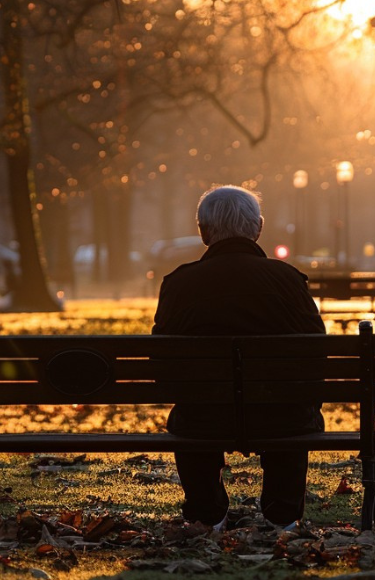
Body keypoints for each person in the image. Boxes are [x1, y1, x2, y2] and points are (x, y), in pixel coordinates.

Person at [151, 184, 325, 531]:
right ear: (258, 228)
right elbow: (315, 355)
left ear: (203, 232)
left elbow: (162, 365)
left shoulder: (179, 283)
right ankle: (282, 511)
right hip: (282, 418)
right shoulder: (288, 280)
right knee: (295, 408)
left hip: (202, 418)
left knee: (189, 415)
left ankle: (206, 511)